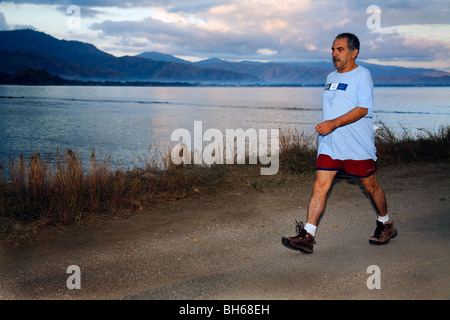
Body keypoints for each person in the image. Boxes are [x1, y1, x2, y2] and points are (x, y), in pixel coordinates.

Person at [281, 33, 397, 254]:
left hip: (357, 146)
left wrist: (333, 123)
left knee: (370, 187)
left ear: (354, 52)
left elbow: (363, 109)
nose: (334, 54)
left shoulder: (362, 75)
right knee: (319, 187)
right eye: (333, 49)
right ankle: (308, 236)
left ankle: (386, 224)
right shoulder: (330, 77)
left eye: (340, 49)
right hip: (330, 144)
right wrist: (330, 128)